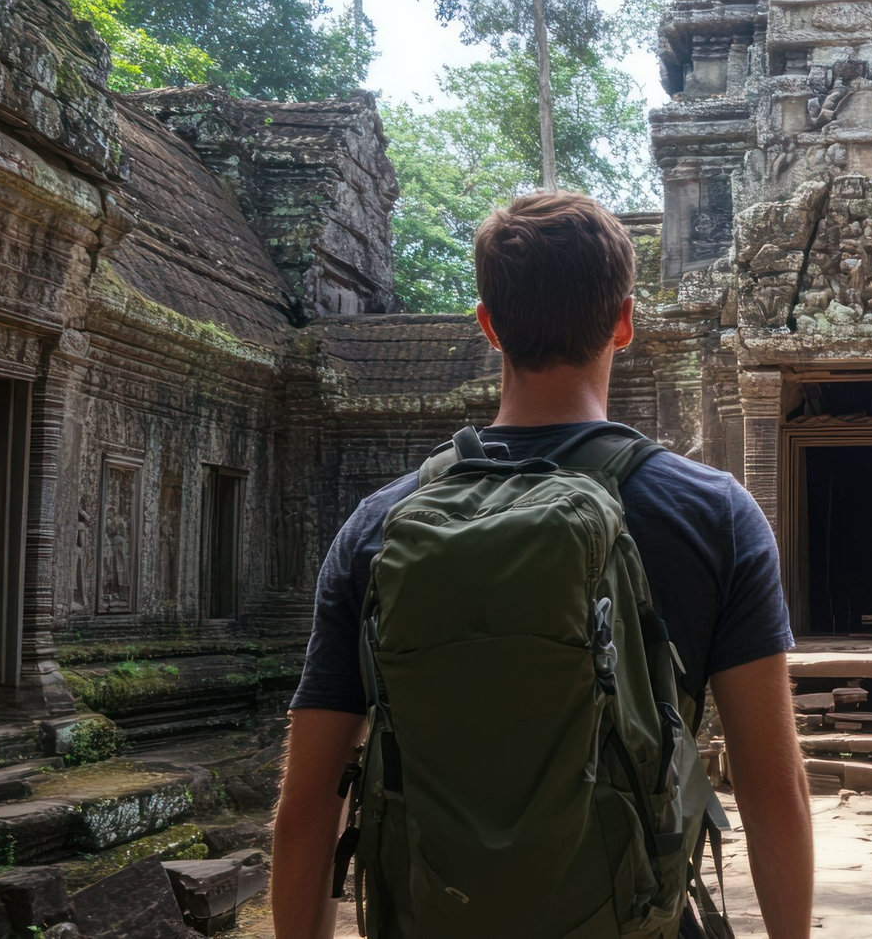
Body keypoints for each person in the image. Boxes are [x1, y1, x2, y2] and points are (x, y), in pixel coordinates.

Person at [271, 192, 813, 938]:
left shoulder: (381, 525)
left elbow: (308, 809)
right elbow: (772, 784)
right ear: (625, 320)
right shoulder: (713, 514)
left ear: (489, 325)